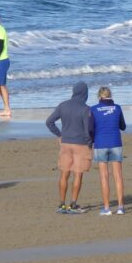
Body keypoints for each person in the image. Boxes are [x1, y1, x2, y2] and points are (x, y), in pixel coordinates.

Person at [45, 81, 94, 214]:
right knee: (77, 175)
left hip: (66, 143)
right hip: (81, 144)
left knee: (64, 173)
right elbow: (87, 130)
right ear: (85, 94)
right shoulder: (86, 109)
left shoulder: (63, 105)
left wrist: (59, 135)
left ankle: (62, 204)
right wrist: (90, 143)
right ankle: (73, 204)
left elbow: (49, 122)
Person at [90, 86, 126, 216]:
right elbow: (123, 126)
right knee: (118, 175)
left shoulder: (93, 109)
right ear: (110, 95)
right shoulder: (117, 108)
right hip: (115, 142)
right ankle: (121, 207)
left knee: (104, 176)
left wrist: (90, 141)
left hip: (100, 144)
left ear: (99, 97)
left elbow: (91, 129)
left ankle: (107, 208)